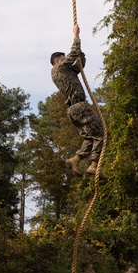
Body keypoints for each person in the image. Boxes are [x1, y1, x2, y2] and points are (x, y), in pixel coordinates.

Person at [50, 23, 105, 178]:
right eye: (62, 59)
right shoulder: (59, 69)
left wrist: (81, 55)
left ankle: (75, 159)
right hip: (79, 107)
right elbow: (73, 54)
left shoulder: (63, 72)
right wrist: (76, 34)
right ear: (57, 61)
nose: (65, 60)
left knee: (89, 137)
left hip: (73, 110)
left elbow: (78, 66)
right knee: (100, 134)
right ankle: (94, 165)